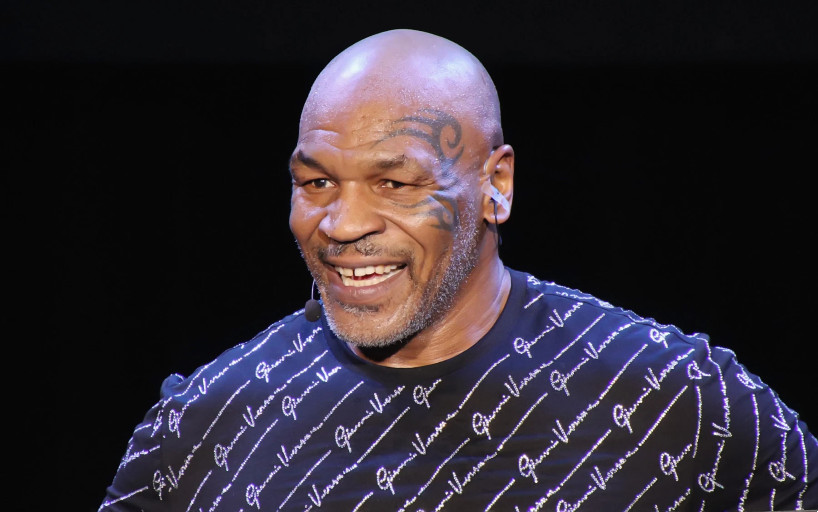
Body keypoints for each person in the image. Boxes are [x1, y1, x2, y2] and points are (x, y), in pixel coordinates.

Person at [100, 29, 817, 511]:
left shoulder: (673, 397)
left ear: (495, 184)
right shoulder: (209, 425)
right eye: (317, 183)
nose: (342, 225)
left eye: (394, 183)